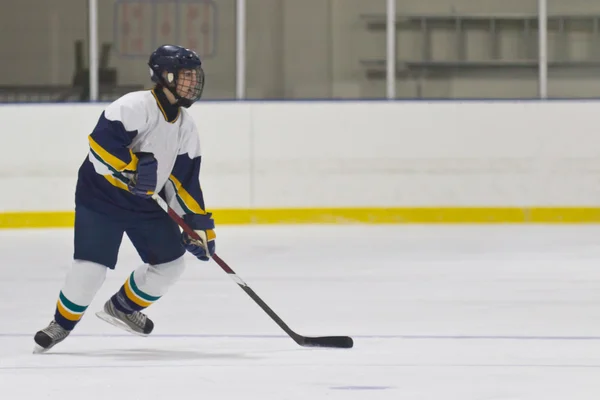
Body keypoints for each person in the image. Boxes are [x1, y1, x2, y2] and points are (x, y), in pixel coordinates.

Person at [33, 44, 216, 353]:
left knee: (171, 265)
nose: (192, 82)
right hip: (101, 197)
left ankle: (122, 306)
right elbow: (100, 148)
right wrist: (134, 168)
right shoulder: (133, 106)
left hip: (145, 203)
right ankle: (60, 325)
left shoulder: (186, 127)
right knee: (90, 267)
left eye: (194, 76)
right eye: (185, 76)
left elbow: (184, 183)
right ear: (165, 76)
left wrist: (198, 226)